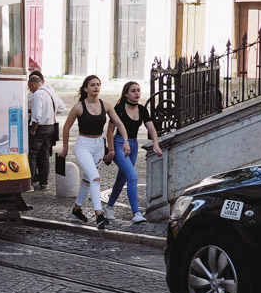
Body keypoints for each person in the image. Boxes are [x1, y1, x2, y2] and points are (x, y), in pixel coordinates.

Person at [57, 75, 130, 230]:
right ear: (86, 88)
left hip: (98, 146)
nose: (96, 87)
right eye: (92, 85)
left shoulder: (106, 105)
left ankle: (76, 209)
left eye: (98, 84)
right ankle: (99, 214)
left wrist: (125, 140)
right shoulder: (79, 107)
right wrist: (65, 148)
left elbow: (119, 123)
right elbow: (66, 127)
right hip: (83, 146)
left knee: (87, 180)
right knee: (95, 178)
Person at [104, 81, 163, 224]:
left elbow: (151, 128)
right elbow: (110, 130)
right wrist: (111, 150)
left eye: (138, 90)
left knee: (122, 178)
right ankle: (136, 213)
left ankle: (109, 206)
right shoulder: (119, 108)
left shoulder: (142, 110)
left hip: (133, 145)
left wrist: (156, 143)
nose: (137, 93)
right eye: (133, 91)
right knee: (132, 176)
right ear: (126, 94)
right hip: (120, 144)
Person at [27, 74, 58, 190]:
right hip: (50, 127)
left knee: (32, 154)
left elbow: (36, 116)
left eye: (30, 88)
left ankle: (29, 183)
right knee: (44, 155)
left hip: (40, 128)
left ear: (33, 85)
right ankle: (44, 182)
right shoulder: (49, 92)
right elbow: (60, 107)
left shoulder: (38, 94)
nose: (30, 90)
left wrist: (33, 129)